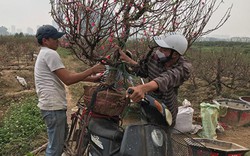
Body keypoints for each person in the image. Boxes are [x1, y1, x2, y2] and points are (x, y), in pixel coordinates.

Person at [34, 25, 105, 156]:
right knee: (54, 149)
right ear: (45, 40)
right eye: (55, 39)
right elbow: (68, 79)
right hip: (53, 107)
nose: (58, 41)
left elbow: (66, 73)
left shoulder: (44, 53)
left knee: (58, 143)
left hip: (51, 107)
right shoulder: (50, 53)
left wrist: (92, 79)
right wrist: (92, 70)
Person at [119, 32, 192, 155]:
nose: (159, 50)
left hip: (166, 111)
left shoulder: (183, 68)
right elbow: (142, 70)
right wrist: (128, 60)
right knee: (146, 138)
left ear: (175, 54)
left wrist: (143, 88)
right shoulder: (155, 58)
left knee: (162, 143)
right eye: (160, 47)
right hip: (148, 104)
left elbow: (166, 79)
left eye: (164, 49)